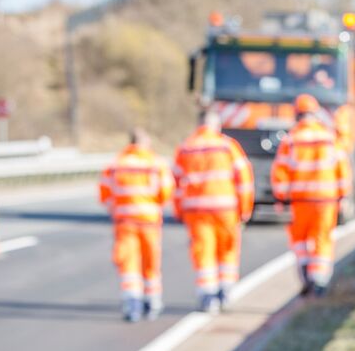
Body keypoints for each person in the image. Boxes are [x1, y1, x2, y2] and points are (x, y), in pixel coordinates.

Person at [173, 110, 255, 313]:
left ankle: (207, 296)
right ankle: (225, 292)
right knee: (227, 250)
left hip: (196, 211)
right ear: (216, 124)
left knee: (203, 252)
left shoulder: (186, 147)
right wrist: (245, 210)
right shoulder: (228, 146)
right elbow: (244, 180)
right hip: (226, 210)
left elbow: (174, 184)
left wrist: (179, 211)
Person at [271, 93, 352, 296]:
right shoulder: (330, 138)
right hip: (326, 199)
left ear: (297, 115)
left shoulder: (291, 140)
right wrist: (344, 195)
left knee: (299, 239)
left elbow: (280, 172)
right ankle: (320, 281)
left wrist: (281, 197)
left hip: (300, 200)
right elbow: (343, 168)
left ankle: (306, 271)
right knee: (323, 238)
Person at [99, 128, 174, 322]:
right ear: (146, 142)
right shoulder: (156, 163)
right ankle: (152, 301)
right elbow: (166, 191)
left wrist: (116, 210)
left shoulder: (116, 164)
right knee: (151, 261)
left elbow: (105, 193)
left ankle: (132, 302)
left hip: (125, 222)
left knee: (128, 263)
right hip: (149, 221)